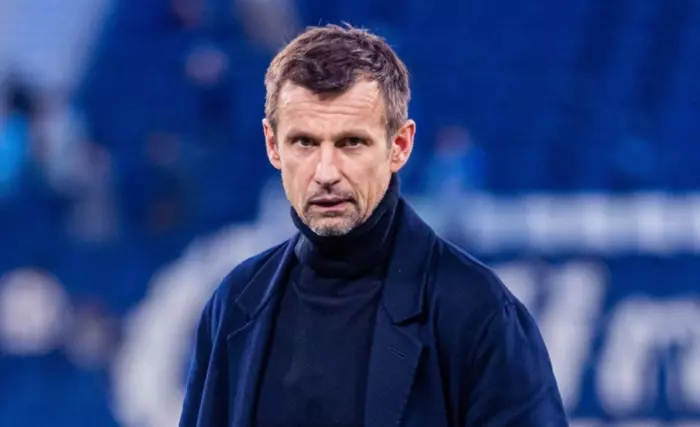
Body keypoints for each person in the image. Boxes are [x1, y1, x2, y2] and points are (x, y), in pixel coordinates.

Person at [179, 24, 569, 427]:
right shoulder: (236, 302)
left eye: (351, 142)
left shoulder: (478, 311)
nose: (326, 172)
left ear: (399, 146)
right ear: (272, 145)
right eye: (304, 143)